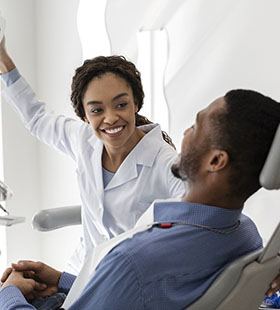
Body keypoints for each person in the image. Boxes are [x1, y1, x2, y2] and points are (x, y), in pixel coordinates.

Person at [1, 89, 280, 309]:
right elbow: (145, 295)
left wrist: (9, 294)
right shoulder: (246, 235)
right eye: (96, 109)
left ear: (216, 160)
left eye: (195, 127)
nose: (184, 133)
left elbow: (139, 278)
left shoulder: (134, 260)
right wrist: (63, 281)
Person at [0, 33, 185, 273]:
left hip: (130, 279)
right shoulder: (84, 140)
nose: (110, 118)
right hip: (82, 271)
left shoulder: (164, 162)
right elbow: (37, 118)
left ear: (136, 103)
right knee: (13, 283)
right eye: (97, 110)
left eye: (121, 105)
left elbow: (197, 210)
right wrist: (3, 59)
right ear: (84, 115)